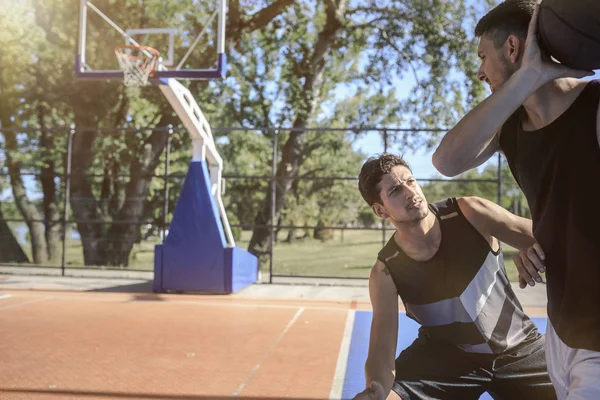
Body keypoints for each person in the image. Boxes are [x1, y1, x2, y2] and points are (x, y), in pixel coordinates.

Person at [431, 1, 600, 398]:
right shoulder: (511, 130)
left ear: (511, 48)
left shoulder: (594, 106)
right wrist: (549, 242)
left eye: (482, 57)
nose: (479, 72)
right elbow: (446, 160)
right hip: (561, 331)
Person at [351, 153, 554, 400]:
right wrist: (376, 390)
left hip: (519, 346)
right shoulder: (386, 271)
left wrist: (534, 252)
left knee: (582, 387)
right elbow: (381, 349)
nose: (410, 192)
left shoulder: (469, 213)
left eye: (410, 181)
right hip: (446, 357)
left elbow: (553, 239)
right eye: (395, 190)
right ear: (380, 210)